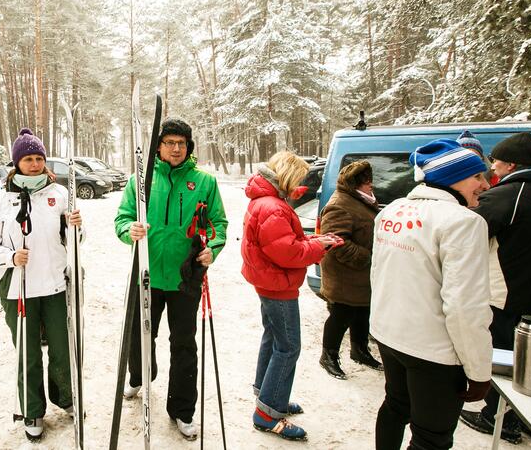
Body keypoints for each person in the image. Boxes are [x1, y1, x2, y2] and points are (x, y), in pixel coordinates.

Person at [370, 139, 492, 450]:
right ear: (454, 177)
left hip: (390, 335)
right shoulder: (464, 222)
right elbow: (466, 305)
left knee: (396, 406)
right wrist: (479, 371)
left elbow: (379, 275)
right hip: (433, 351)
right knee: (431, 438)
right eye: (478, 176)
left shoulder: (392, 210)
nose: (485, 184)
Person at [113, 118, 228, 440]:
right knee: (140, 336)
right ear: (159, 146)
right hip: (146, 275)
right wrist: (128, 230)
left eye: (181, 143)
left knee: (183, 344)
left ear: (189, 146)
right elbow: (122, 217)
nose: (176, 148)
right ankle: (139, 376)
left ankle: (182, 409)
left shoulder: (203, 182)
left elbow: (218, 223)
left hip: (184, 278)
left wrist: (212, 249)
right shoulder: (142, 179)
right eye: (169, 143)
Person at [0, 128, 82, 442]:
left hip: (55, 286)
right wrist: (9, 256)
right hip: (17, 288)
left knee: (62, 349)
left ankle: (65, 397)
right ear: (16, 162)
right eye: (28, 159)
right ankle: (32, 408)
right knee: (28, 353)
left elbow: (75, 242)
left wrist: (76, 228)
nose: (34, 164)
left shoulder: (60, 194)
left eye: (39, 158)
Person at [241, 151, 341, 441]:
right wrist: (320, 248)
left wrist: (315, 240)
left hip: (269, 282)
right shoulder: (273, 206)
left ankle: (267, 394)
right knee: (288, 347)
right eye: (298, 178)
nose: (300, 184)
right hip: (278, 285)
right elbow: (288, 253)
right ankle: (268, 413)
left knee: (273, 338)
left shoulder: (267, 201)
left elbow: (286, 242)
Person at [459, 132, 531, 444]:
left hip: (509, 294)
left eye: (494, 161)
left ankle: (499, 418)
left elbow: (463, 235)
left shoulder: (505, 197)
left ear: (510, 164)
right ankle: (526, 416)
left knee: (502, 357)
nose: (491, 167)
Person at [318, 160, 382, 380]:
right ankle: (329, 356)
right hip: (345, 275)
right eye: (366, 182)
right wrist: (368, 258)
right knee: (341, 315)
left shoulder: (361, 200)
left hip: (360, 275)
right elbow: (336, 242)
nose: (371, 185)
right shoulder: (340, 204)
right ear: (355, 184)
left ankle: (360, 350)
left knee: (362, 312)